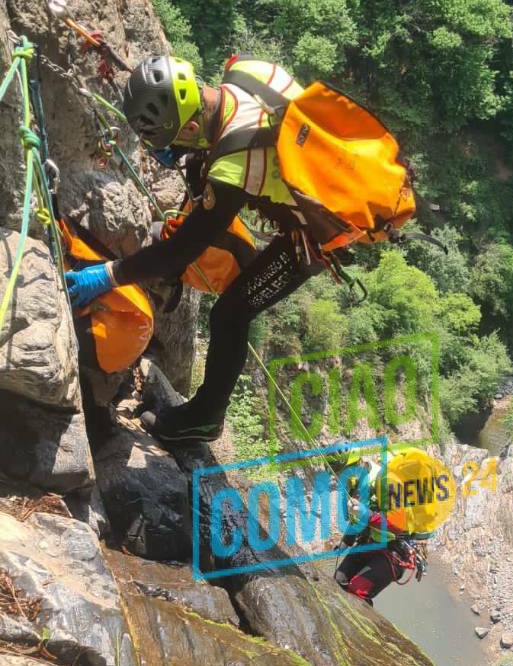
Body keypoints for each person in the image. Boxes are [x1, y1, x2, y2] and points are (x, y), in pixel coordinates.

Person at [65, 54, 327, 443]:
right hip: (314, 178)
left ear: (189, 124)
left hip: (317, 234)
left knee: (230, 314)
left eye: (174, 141)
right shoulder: (247, 72)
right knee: (226, 279)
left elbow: (181, 251)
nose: (168, 152)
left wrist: (105, 274)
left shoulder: (235, 165)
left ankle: (205, 419)